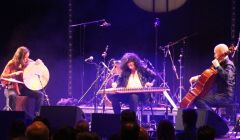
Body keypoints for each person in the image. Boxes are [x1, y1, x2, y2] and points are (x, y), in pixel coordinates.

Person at [189, 44, 235, 110]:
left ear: (220, 53)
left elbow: (227, 78)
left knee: (200, 101)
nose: (214, 56)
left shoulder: (229, 64)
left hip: (226, 97)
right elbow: (211, 75)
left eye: (215, 53)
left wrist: (218, 66)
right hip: (219, 94)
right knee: (197, 98)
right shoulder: (221, 63)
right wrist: (198, 77)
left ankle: (214, 119)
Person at [1, 46, 43, 116]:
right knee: (12, 95)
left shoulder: (28, 61)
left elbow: (37, 64)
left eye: (27, 57)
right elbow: (2, 76)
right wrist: (14, 74)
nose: (27, 59)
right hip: (12, 88)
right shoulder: (11, 63)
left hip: (23, 88)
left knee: (40, 95)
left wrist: (39, 63)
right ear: (19, 57)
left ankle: (37, 115)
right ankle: (12, 117)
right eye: (25, 57)